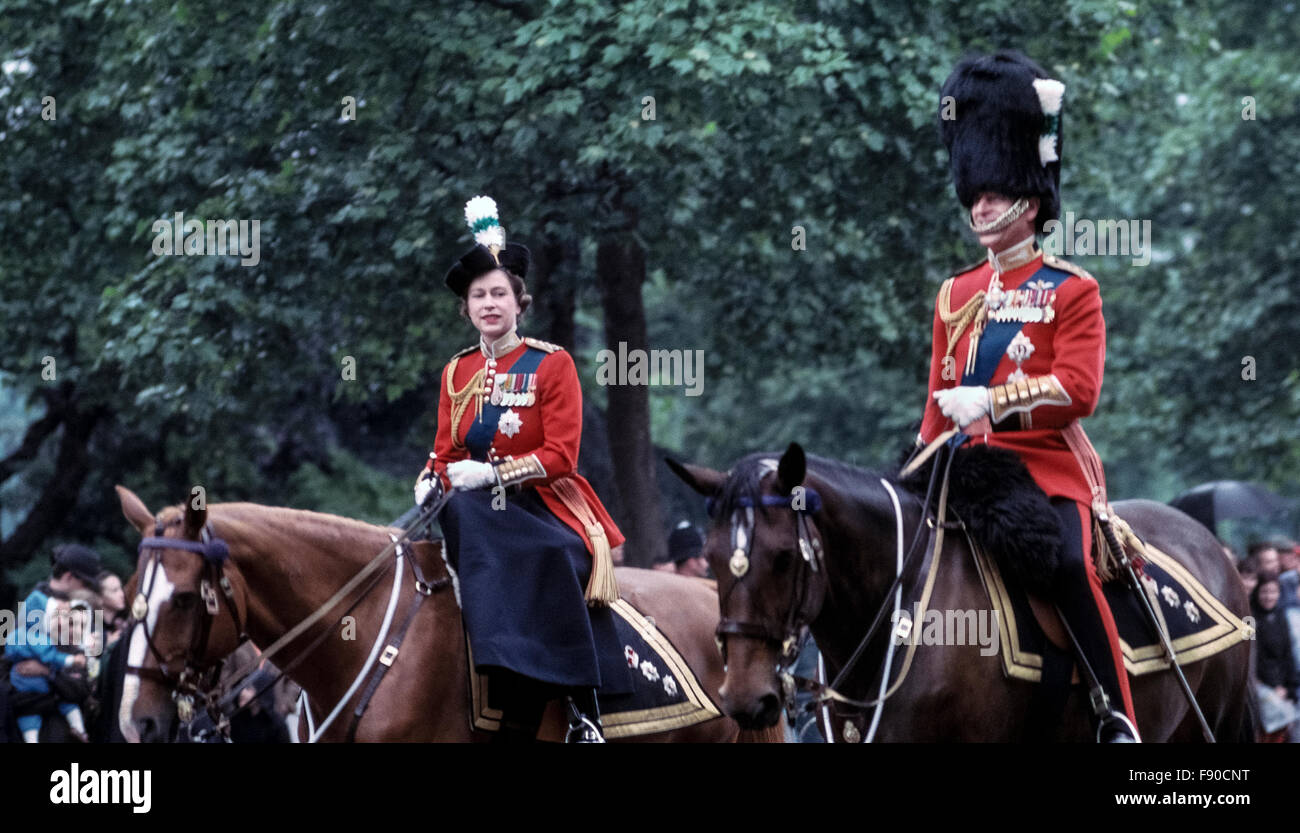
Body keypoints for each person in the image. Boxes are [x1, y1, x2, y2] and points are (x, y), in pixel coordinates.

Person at [918, 51, 1138, 741]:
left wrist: (989, 404)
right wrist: (919, 465)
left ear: (1030, 199)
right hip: (967, 470)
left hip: (1045, 470)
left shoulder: (1073, 289)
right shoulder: (955, 293)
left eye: (994, 191)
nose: (979, 204)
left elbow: (1078, 391)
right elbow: (934, 402)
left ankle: (1117, 713)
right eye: (973, 193)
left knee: (1070, 563)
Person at [413, 196, 630, 742]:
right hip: (471, 505)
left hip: (545, 500)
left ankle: (581, 704)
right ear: (466, 308)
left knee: (550, 552)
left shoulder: (550, 363)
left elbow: (562, 456)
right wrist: (429, 478)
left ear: (518, 303)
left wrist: (492, 475)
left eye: (499, 294)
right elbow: (444, 452)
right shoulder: (456, 371)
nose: (489, 304)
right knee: (449, 517)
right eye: (478, 296)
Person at [4, 544, 102, 742]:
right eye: (86, 583)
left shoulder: (82, 607)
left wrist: (47, 671)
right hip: (34, 711)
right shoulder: (35, 604)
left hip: (66, 707)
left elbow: (88, 669)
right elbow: (15, 661)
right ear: (69, 577)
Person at [1251, 575, 1300, 741]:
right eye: (1264, 591)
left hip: (1283, 686)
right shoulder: (1249, 617)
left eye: (1273, 592)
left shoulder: (1281, 616)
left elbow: (1287, 654)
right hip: (1259, 685)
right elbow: (1250, 655)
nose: (1268, 596)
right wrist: (1267, 685)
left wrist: (1288, 687)